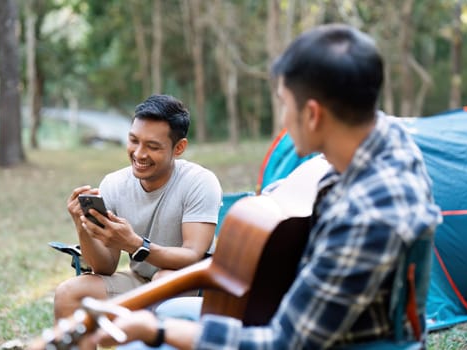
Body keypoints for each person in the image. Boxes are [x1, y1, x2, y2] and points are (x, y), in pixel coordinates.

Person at [82, 23, 442, 349]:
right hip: (342, 324)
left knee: (140, 342)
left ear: (313, 114)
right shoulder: (393, 141)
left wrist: (156, 331)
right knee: (177, 307)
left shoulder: (366, 216)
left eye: (284, 105)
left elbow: (282, 343)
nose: (283, 119)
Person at [53, 94, 223, 321]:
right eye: (134, 140)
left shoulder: (199, 182)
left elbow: (192, 255)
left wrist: (135, 245)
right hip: (141, 282)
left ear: (179, 147)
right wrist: (81, 224)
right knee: (68, 293)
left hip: (188, 284)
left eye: (152, 146)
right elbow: (104, 267)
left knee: (163, 281)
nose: (139, 153)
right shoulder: (114, 184)